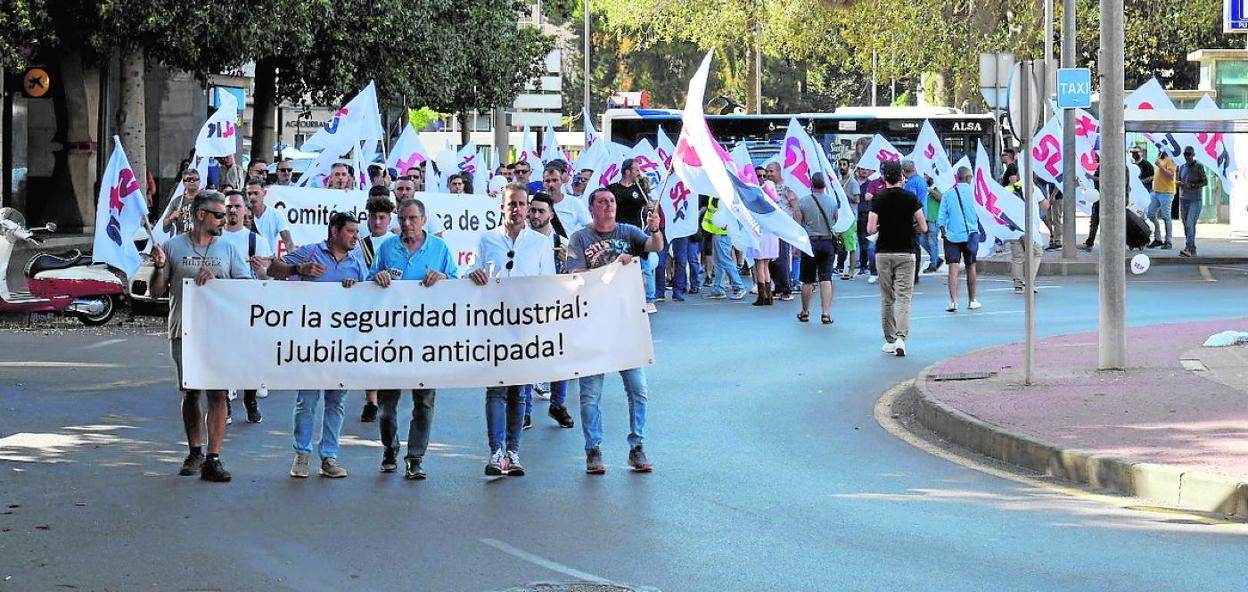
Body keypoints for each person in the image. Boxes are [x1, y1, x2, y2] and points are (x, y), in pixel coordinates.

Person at [149, 191, 251, 482]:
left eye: (226, 214)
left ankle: (213, 457)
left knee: (218, 393)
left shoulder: (228, 249)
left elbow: (246, 286)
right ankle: (194, 450)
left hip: (219, 332)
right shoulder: (171, 247)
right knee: (191, 392)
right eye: (219, 214)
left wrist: (219, 282)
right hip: (184, 330)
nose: (225, 219)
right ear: (201, 215)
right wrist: (158, 267)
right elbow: (157, 291)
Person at [566, 188, 663, 474]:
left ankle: (637, 446)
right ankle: (593, 449)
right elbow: (575, 276)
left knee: (638, 389)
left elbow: (654, 246)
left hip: (626, 323)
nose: (608, 206)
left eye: (610, 201)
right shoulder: (580, 239)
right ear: (591, 208)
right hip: (593, 322)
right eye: (601, 202)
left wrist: (656, 229)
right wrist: (612, 268)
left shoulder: (629, 232)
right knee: (590, 393)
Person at [267, 213, 368, 479]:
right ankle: (302, 454)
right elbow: (273, 269)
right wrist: (298, 270)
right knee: (307, 400)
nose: (355, 236)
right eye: (350, 231)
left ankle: (329, 457)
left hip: (342, 344)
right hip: (311, 342)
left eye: (357, 232)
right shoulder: (310, 252)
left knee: (336, 401)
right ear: (334, 232)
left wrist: (356, 287)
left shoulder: (356, 262)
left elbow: (367, 299)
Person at [467, 184, 556, 476]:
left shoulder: (541, 243)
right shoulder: (487, 239)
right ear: (502, 207)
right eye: (511, 204)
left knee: (519, 392)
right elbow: (469, 272)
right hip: (494, 324)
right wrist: (474, 273)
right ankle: (495, 452)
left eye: (521, 204)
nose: (517, 209)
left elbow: (548, 283)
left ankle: (513, 451)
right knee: (496, 390)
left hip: (526, 326)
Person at [368, 198, 459, 479]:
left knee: (424, 402)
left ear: (424, 219)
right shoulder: (387, 248)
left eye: (413, 219)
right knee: (386, 405)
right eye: (403, 219)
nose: (407, 224)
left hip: (427, 339)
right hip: (392, 338)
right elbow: (369, 281)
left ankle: (416, 457)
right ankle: (389, 448)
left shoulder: (439, 248)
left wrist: (443, 277)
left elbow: (458, 283)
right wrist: (378, 277)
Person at [523, 193, 576, 430]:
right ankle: (523, 410)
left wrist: (568, 262)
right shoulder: (521, 241)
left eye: (540, 211)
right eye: (532, 210)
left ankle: (557, 404)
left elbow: (576, 278)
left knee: (558, 357)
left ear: (550, 215)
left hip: (554, 310)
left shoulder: (561, 242)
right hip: (526, 309)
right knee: (524, 358)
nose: (535, 215)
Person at [869, 160, 927, 357]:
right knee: (904, 296)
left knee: (887, 298)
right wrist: (910, 229)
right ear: (901, 176)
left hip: (884, 251)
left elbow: (870, 228)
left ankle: (890, 339)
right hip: (906, 251)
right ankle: (902, 337)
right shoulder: (910, 198)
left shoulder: (878, 199)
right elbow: (924, 226)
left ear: (884, 177)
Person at [792, 173, 839, 324]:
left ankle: (805, 311)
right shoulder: (832, 201)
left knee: (807, 279)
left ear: (811, 185)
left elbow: (798, 224)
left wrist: (796, 246)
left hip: (810, 242)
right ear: (824, 186)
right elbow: (836, 219)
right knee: (826, 278)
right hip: (827, 242)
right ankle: (826, 313)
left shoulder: (803, 202)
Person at [937, 167, 981, 312]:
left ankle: (953, 301)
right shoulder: (975, 194)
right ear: (969, 178)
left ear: (957, 177)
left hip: (952, 236)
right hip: (970, 234)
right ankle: (972, 300)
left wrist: (943, 232)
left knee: (953, 268)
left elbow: (941, 217)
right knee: (971, 266)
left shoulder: (948, 194)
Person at [701, 196, 745, 300]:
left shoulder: (720, 194)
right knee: (719, 262)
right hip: (719, 232)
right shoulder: (718, 194)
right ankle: (718, 289)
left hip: (721, 233)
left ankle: (739, 287)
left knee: (725, 261)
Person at [765, 161, 797, 299]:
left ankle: (786, 289)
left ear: (778, 171)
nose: (768, 174)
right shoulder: (767, 187)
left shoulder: (786, 188)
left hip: (783, 228)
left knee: (782, 259)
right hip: (771, 228)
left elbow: (796, 207)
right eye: (767, 172)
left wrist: (796, 227)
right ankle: (777, 286)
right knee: (771, 260)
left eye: (771, 171)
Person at [246, 178, 295, 255]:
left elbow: (288, 242)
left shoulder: (276, 215)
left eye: (256, 193)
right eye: (249, 194)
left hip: (268, 261)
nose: (252, 197)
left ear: (264, 193)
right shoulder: (242, 214)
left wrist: (291, 262)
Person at [1176, 147, 1206, 257]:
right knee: (1186, 224)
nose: (1187, 156)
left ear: (1193, 154)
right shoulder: (1182, 167)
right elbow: (1179, 179)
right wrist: (1179, 183)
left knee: (1190, 223)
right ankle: (1191, 248)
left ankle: (1188, 248)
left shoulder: (1199, 166)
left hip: (1195, 199)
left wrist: (1192, 185)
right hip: (1184, 198)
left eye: (1189, 154)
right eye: (1185, 154)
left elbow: (1205, 181)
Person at [1148, 151, 1177, 249]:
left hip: (1166, 192)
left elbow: (1171, 175)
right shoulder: (1160, 159)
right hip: (1156, 191)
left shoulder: (1170, 159)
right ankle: (1158, 239)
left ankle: (1168, 241)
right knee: (1150, 214)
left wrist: (1160, 166)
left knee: (1166, 216)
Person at [162, 169, 201, 237]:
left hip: (202, 243)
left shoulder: (207, 200)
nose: (192, 181)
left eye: (195, 179)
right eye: (189, 179)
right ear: (183, 183)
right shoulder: (177, 202)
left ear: (199, 181)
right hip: (182, 242)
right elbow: (165, 228)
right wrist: (171, 218)